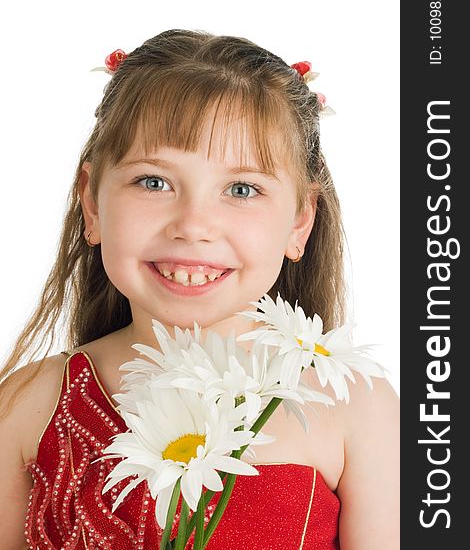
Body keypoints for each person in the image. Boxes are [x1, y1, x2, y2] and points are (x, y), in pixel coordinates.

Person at [0, 29, 399, 549]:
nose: (193, 225)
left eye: (241, 189)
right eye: (153, 181)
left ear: (300, 222)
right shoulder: (26, 404)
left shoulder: (355, 405)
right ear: (92, 204)